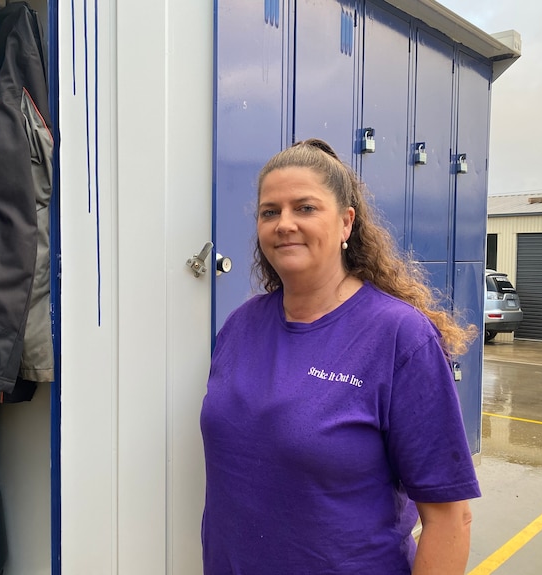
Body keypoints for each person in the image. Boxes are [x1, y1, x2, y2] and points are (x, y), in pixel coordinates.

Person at [200, 138, 481, 574]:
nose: (284, 224)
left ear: (347, 222)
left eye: (305, 208)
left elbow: (450, 518)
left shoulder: (399, 338)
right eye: (269, 211)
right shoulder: (239, 326)